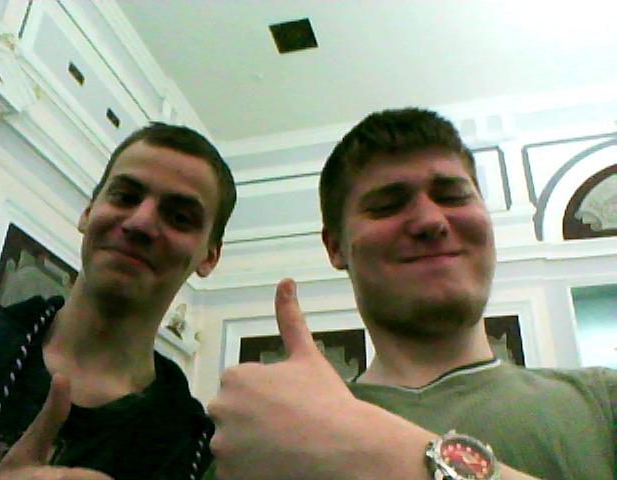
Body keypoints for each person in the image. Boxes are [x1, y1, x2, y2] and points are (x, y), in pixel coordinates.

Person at [208, 109, 615, 480]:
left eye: (453, 196)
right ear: (335, 247)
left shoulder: (604, 401)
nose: (430, 220)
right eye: (387, 205)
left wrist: (377, 449)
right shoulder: (269, 432)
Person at [0, 122, 236, 480]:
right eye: (125, 197)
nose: (140, 223)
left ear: (209, 256)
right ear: (88, 212)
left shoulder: (195, 453)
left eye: (179, 217)